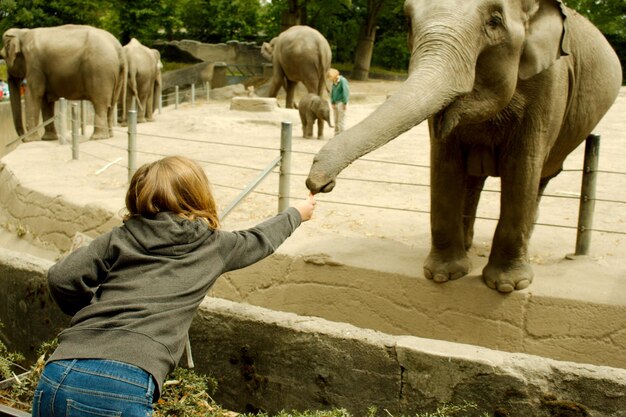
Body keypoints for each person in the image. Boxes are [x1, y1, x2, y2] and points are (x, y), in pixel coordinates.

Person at [32, 155, 316, 417]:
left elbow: (62, 278)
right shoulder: (214, 245)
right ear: (199, 197)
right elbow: (260, 239)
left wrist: (88, 314)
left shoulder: (120, 236)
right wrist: (296, 213)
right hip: (124, 379)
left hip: (59, 369)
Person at [327, 68, 350, 134]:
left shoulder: (343, 81)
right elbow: (332, 93)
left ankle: (341, 136)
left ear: (333, 75)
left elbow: (345, 92)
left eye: (330, 77)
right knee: (336, 120)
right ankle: (336, 135)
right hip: (335, 103)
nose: (329, 79)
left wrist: (345, 103)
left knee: (341, 121)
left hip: (341, 103)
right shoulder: (334, 82)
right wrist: (332, 102)